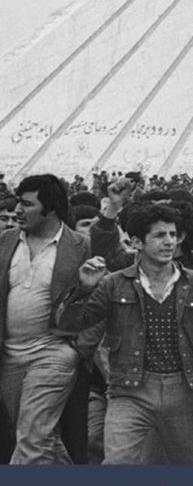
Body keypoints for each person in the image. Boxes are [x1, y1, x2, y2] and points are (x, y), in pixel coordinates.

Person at [59, 203, 193, 464]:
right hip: (130, 389)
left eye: (173, 235)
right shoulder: (114, 283)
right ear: (137, 242)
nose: (169, 242)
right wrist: (83, 289)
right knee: (118, 463)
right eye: (159, 235)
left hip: (186, 389)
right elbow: (70, 325)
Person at [0, 175, 96, 464]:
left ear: (51, 209)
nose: (18, 210)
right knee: (38, 436)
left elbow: (97, 299)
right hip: (10, 355)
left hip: (53, 353)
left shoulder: (80, 245)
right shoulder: (5, 241)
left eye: (27, 204)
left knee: (32, 436)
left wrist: (78, 348)